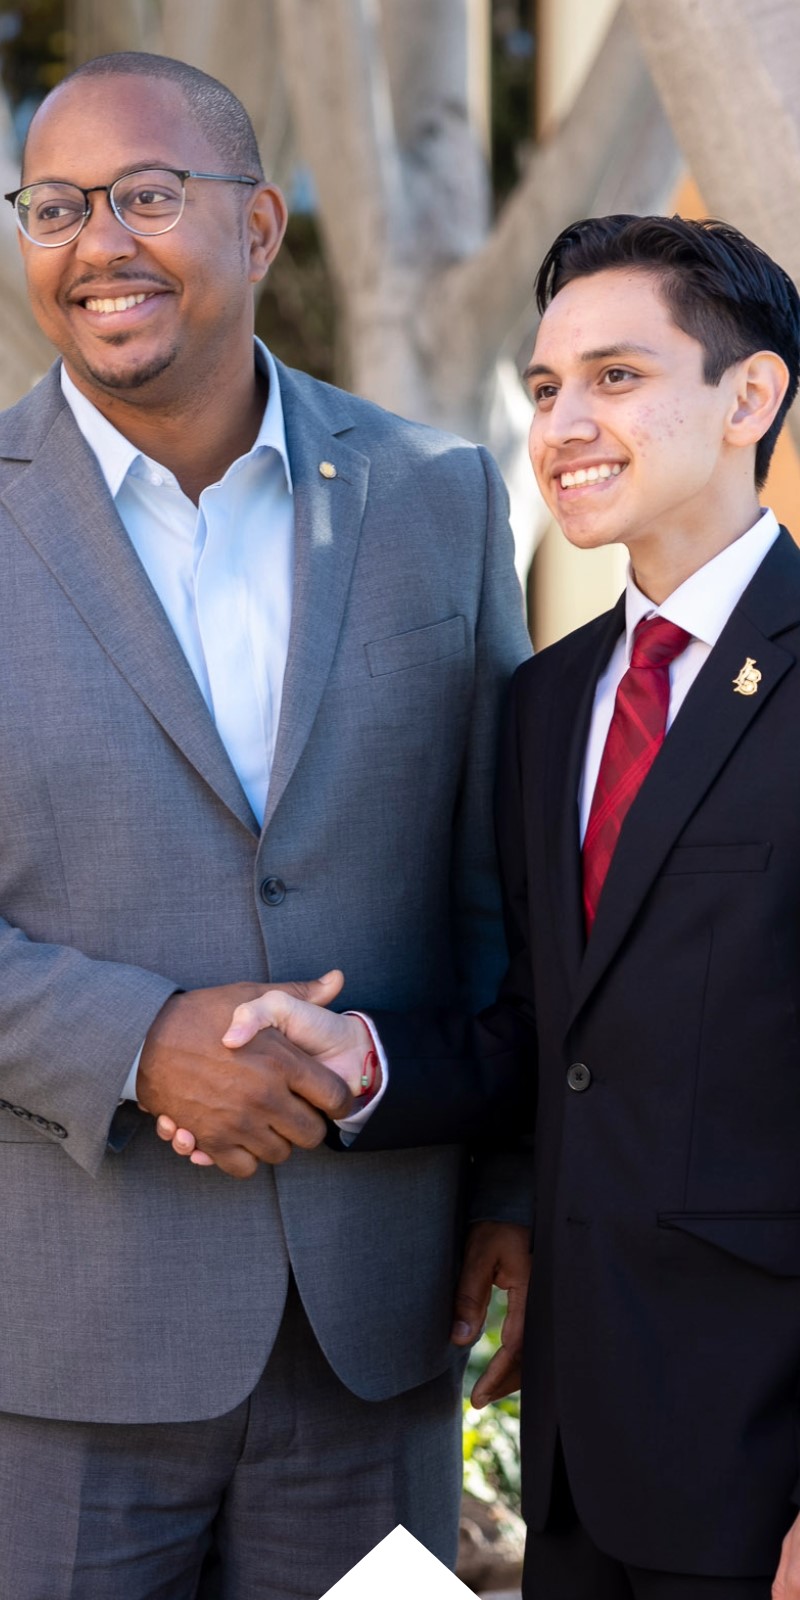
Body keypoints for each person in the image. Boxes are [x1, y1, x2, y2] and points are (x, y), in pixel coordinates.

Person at [0, 50, 532, 1599]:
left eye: (148, 195)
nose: (98, 238)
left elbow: (493, 887)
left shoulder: (435, 494)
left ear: (261, 227)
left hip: (379, 1338)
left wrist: (508, 1187)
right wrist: (135, 1035)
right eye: (54, 205)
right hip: (59, 1351)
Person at [215, 214, 800, 1599]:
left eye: (615, 377)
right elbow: (550, 1030)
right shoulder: (548, 703)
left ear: (751, 397)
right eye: (544, 389)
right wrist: (368, 1069)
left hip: (764, 1467)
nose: (564, 423)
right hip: (589, 1461)